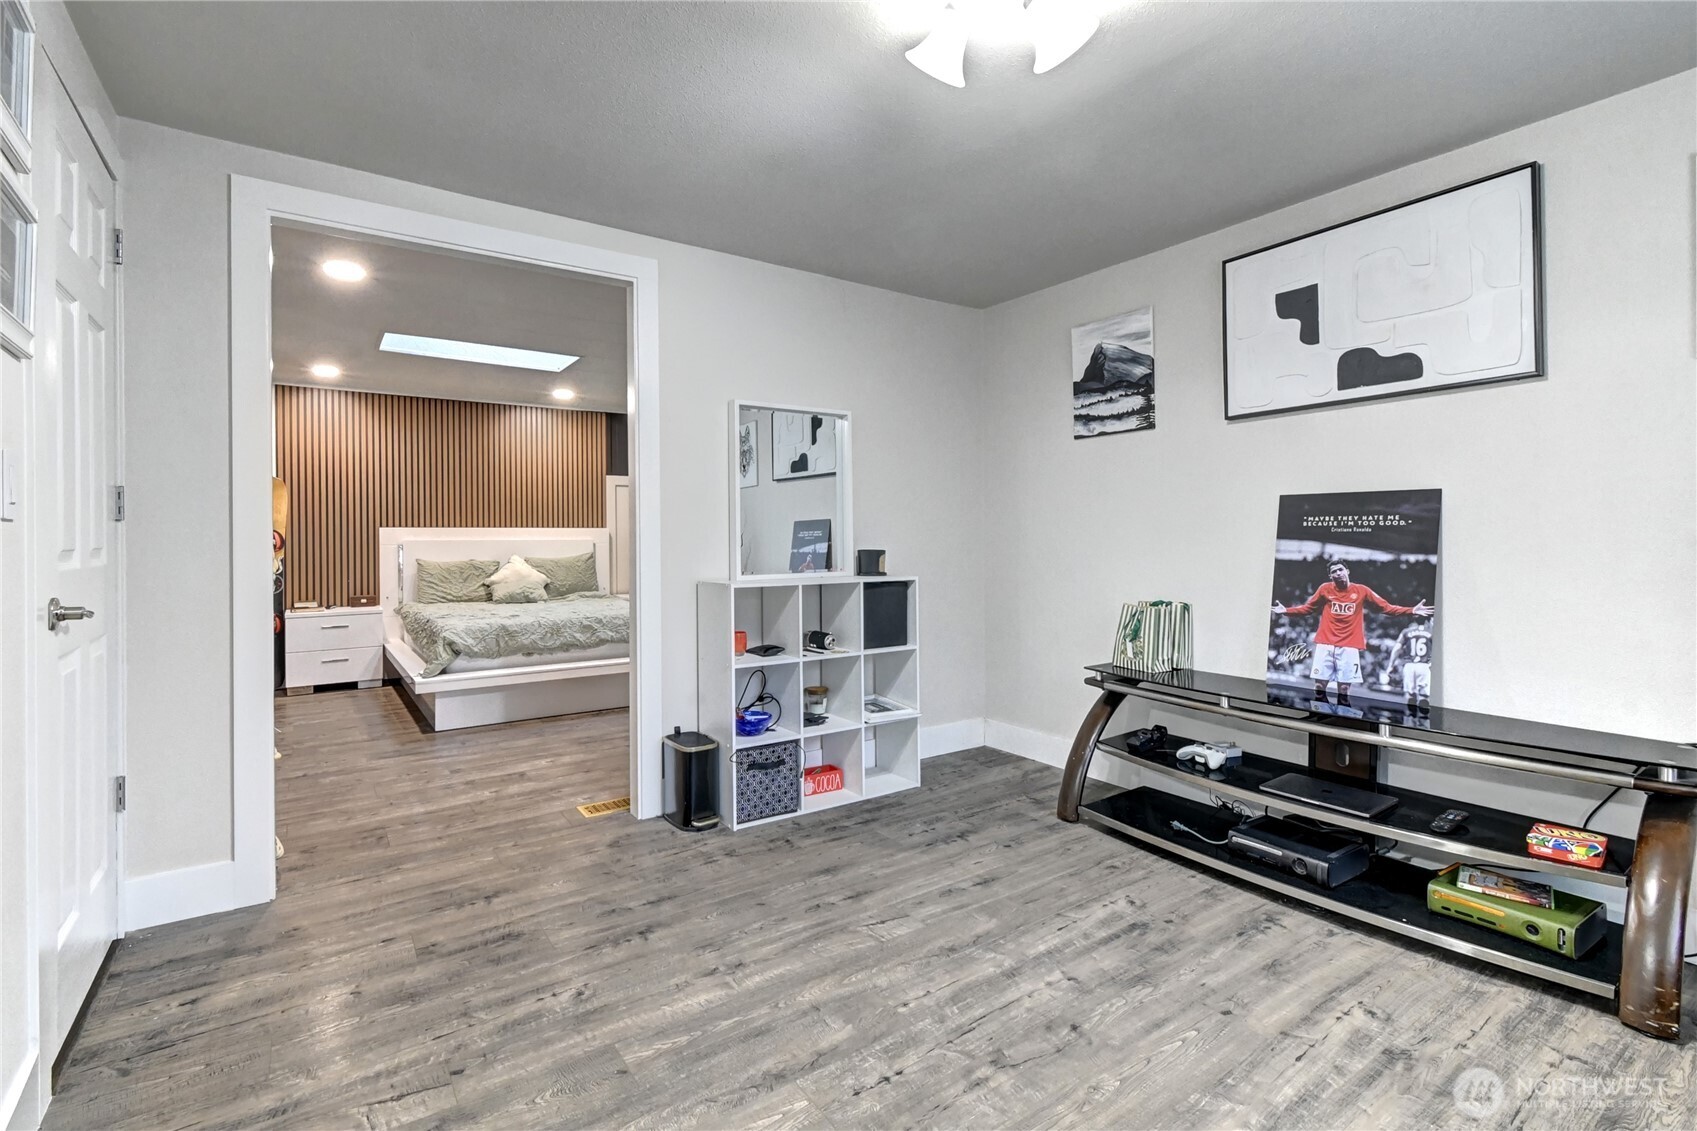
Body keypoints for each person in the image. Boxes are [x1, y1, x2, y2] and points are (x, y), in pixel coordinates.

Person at [1272, 560, 1434, 706]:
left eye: (1340, 569)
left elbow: (1386, 607)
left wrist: (1411, 610)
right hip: (1325, 644)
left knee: (1343, 690)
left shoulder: (1361, 591)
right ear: (1330, 576)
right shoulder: (1325, 589)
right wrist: (1286, 610)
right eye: (1334, 571)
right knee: (1319, 687)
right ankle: (1322, 719)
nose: (1338, 573)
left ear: (1347, 571)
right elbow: (1307, 608)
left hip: (1349, 646)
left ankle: (1342, 721)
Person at [1383, 619, 1436, 714]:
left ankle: (1411, 718)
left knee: (1411, 695)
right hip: (1424, 666)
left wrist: (1391, 665)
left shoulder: (1406, 632)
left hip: (1409, 665)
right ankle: (1423, 721)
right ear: (1427, 621)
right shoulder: (1432, 632)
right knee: (1424, 696)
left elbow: (1397, 648)